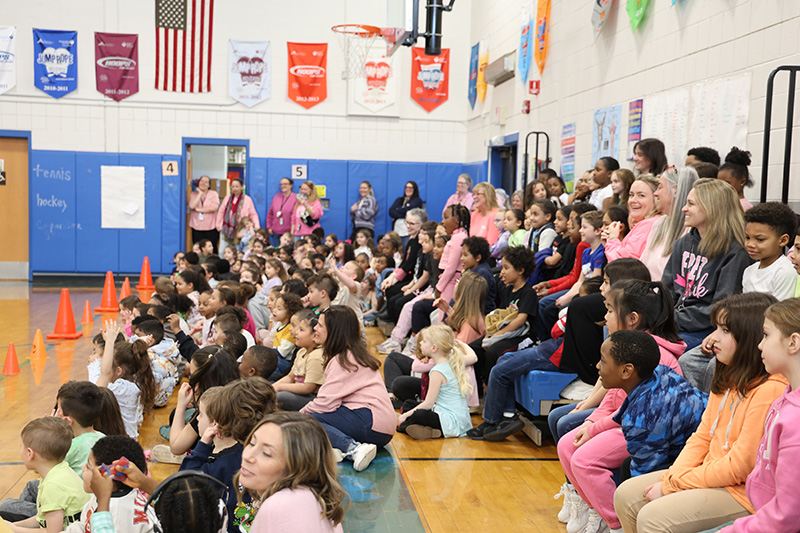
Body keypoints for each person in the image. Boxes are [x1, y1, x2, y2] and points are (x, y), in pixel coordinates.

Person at [614, 292, 787, 533]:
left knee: (654, 517)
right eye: (716, 328)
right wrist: (673, 477)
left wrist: (674, 485)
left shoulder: (770, 388)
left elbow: (739, 467)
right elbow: (702, 436)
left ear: (748, 337)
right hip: (710, 475)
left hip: (741, 492)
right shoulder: (726, 374)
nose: (713, 338)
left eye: (725, 330)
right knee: (625, 495)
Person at [556, 280, 691, 533]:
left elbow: (638, 416)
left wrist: (596, 428)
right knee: (567, 443)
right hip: (624, 421)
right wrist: (591, 422)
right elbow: (612, 398)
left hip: (641, 427)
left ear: (632, 318)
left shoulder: (652, 356)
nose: (604, 317)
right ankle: (593, 506)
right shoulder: (625, 346)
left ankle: (616, 523)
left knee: (585, 460)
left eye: (608, 310)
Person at [707, 299, 800, 532]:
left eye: (766, 335)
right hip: (761, 512)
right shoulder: (784, 399)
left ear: (793, 342)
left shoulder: (794, 420)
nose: (759, 345)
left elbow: (786, 516)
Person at [301, 306, 396, 472]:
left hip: (370, 423)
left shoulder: (343, 360)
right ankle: (342, 447)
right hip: (381, 427)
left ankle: (353, 448)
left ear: (334, 331)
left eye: (321, 325)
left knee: (309, 420)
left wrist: (298, 416)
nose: (315, 328)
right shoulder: (354, 353)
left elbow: (325, 404)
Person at [662, 178, 751, 349]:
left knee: (657, 351)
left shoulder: (734, 251)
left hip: (705, 330)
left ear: (712, 208)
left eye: (691, 204)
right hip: (675, 323)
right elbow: (668, 290)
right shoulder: (683, 243)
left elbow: (721, 307)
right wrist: (658, 317)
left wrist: (672, 321)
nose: (683, 208)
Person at [180, 379, 277, 533]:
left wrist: (200, 449)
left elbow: (183, 488)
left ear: (219, 422)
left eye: (201, 414)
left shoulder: (224, 464)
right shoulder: (274, 454)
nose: (197, 418)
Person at [235, 412, 346, 532]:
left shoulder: (279, 506)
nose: (247, 456)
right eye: (252, 443)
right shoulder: (317, 500)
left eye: (266, 453)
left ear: (297, 466)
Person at [2, 417, 89, 530]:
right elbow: (42, 518)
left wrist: (13, 530)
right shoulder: (58, 470)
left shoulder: (53, 485)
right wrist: (14, 525)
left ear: (30, 453)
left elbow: (52, 531)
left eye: (21, 446)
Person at [397, 325, 474, 439]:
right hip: (460, 420)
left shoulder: (437, 372)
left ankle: (408, 426)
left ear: (434, 348)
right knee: (409, 404)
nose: (421, 343)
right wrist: (461, 345)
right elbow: (473, 356)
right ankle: (425, 429)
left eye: (424, 341)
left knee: (417, 414)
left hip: (451, 422)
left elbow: (428, 403)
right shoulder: (454, 362)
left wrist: (405, 416)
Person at [67, 435, 152, 533]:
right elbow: (85, 526)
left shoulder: (117, 513)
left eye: (88, 466)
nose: (82, 468)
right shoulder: (112, 496)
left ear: (106, 476)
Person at [90, 322, 156, 439]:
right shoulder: (136, 382)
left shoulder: (121, 387)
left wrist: (109, 344)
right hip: (131, 440)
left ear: (119, 371)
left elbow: (102, 377)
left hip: (120, 445)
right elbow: (129, 352)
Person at [640, 166, 699, 281]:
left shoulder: (692, 232)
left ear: (676, 191)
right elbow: (643, 265)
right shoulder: (659, 224)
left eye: (660, 187)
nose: (655, 193)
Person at [742, 202, 797, 300]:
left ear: (783, 240)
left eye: (760, 239)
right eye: (747, 237)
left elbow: (779, 311)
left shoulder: (785, 272)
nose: (750, 244)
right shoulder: (749, 271)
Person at [602, 175, 661, 262]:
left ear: (656, 198)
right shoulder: (651, 222)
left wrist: (612, 239)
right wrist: (609, 243)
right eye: (631, 195)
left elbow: (624, 264)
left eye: (641, 195)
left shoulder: (649, 224)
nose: (633, 200)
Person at [216, 178, 260, 253]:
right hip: (226, 230)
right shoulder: (227, 198)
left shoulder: (247, 199)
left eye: (237, 186)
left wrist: (256, 226)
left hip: (240, 230)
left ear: (241, 187)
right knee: (222, 252)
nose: (235, 189)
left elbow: (253, 214)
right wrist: (218, 225)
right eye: (233, 187)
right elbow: (221, 212)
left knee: (238, 252)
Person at [189, 176, 221, 254]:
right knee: (198, 248)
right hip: (197, 226)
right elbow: (192, 206)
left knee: (212, 248)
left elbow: (214, 207)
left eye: (206, 182)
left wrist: (199, 210)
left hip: (211, 227)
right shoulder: (193, 194)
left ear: (209, 185)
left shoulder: (213, 194)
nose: (203, 183)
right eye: (201, 181)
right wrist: (199, 193)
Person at [718, 146, 754, 211]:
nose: (722, 187)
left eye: (727, 183)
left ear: (742, 182)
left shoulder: (741, 207)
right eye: (719, 183)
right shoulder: (725, 204)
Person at [389, 181, 423, 247]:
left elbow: (410, 210)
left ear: (414, 189)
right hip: (397, 231)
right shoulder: (399, 200)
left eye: (410, 188)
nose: (408, 189)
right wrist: (404, 214)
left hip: (408, 232)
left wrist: (398, 210)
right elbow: (391, 211)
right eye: (406, 187)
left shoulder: (417, 201)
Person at [266, 178, 296, 247]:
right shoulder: (276, 197)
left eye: (285, 184)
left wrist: (292, 232)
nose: (283, 186)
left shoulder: (295, 198)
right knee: (278, 252)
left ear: (291, 185)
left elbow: (296, 217)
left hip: (289, 232)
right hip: (276, 232)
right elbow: (270, 213)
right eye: (281, 184)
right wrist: (269, 226)